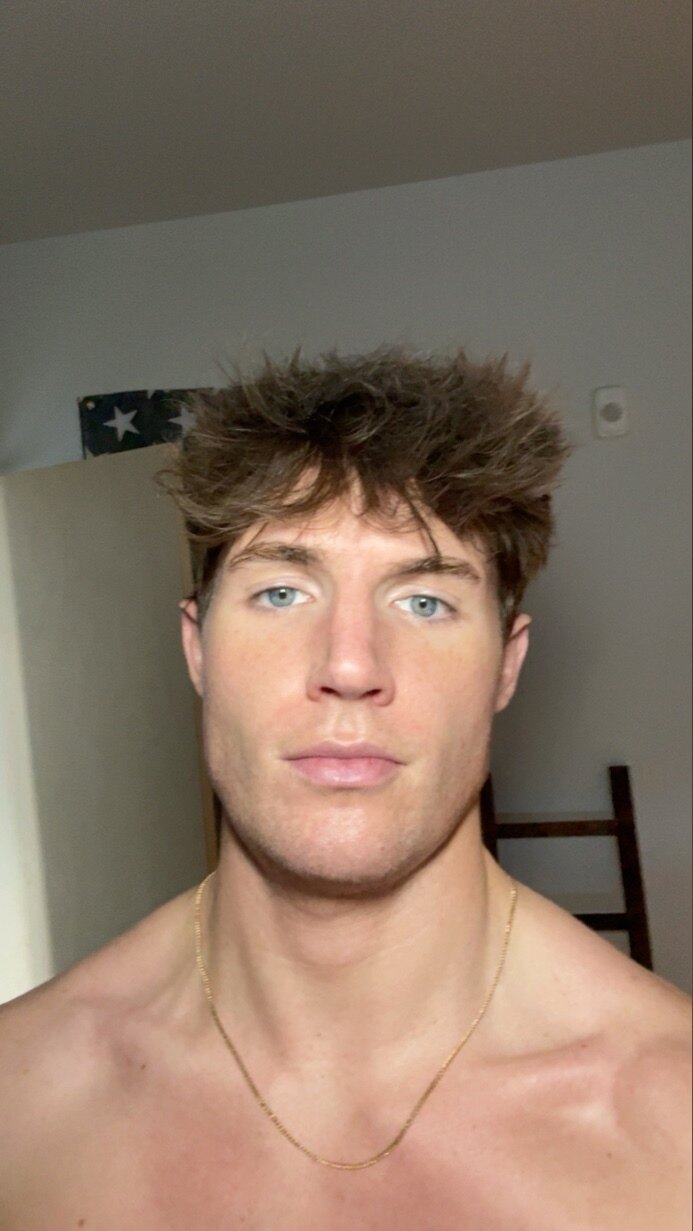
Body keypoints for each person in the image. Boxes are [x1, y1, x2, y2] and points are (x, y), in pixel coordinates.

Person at [0, 344, 690, 1230]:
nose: (350, 665)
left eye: (424, 601)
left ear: (505, 666)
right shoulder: (24, 1100)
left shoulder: (670, 1122)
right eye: (282, 592)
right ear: (197, 649)